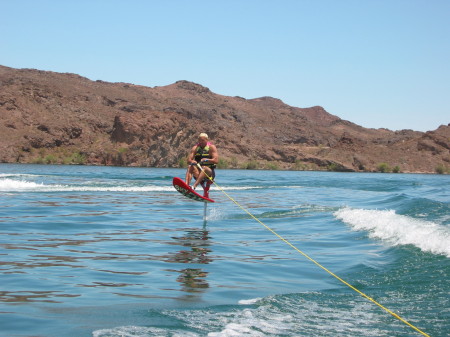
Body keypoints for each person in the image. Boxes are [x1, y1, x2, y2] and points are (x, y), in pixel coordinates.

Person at [185, 133, 218, 197]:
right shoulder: (195, 148)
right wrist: (192, 161)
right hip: (198, 173)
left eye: (203, 140)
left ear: (207, 140)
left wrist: (207, 160)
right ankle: (186, 186)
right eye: (199, 140)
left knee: (205, 168)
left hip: (209, 174)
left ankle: (194, 186)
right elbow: (188, 160)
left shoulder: (211, 147)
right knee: (190, 166)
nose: (201, 142)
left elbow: (216, 161)